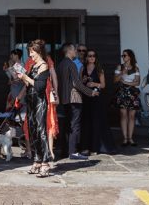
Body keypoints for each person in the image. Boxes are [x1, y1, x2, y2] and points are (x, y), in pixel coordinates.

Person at [18, 39, 53, 177]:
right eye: (29, 52)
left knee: (41, 131)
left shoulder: (44, 66)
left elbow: (39, 87)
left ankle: (45, 163)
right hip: (31, 101)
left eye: (32, 52)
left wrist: (26, 78)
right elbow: (29, 84)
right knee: (33, 131)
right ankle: (37, 160)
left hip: (39, 102)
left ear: (39, 52)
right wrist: (23, 78)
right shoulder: (33, 66)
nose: (30, 55)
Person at [57, 43, 93, 161]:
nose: (76, 52)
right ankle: (73, 152)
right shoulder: (71, 64)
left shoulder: (60, 64)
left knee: (67, 125)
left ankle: (65, 151)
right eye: (74, 50)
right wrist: (90, 92)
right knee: (75, 125)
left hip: (64, 98)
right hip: (74, 98)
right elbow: (76, 83)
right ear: (69, 51)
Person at [82, 49, 113, 155]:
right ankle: (86, 147)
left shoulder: (99, 69)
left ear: (96, 58)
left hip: (96, 98)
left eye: (93, 56)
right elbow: (80, 82)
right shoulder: (83, 68)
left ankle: (95, 147)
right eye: (89, 56)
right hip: (86, 98)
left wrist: (94, 84)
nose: (91, 58)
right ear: (86, 57)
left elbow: (103, 85)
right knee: (87, 122)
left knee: (96, 122)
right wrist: (84, 82)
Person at [114, 49, 141, 146]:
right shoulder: (120, 67)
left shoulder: (135, 68)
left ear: (130, 56)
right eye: (122, 55)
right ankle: (125, 138)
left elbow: (137, 82)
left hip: (132, 93)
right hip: (122, 92)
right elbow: (115, 80)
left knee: (132, 116)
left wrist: (125, 82)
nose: (123, 57)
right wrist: (122, 73)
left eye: (124, 55)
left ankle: (131, 138)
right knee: (123, 114)